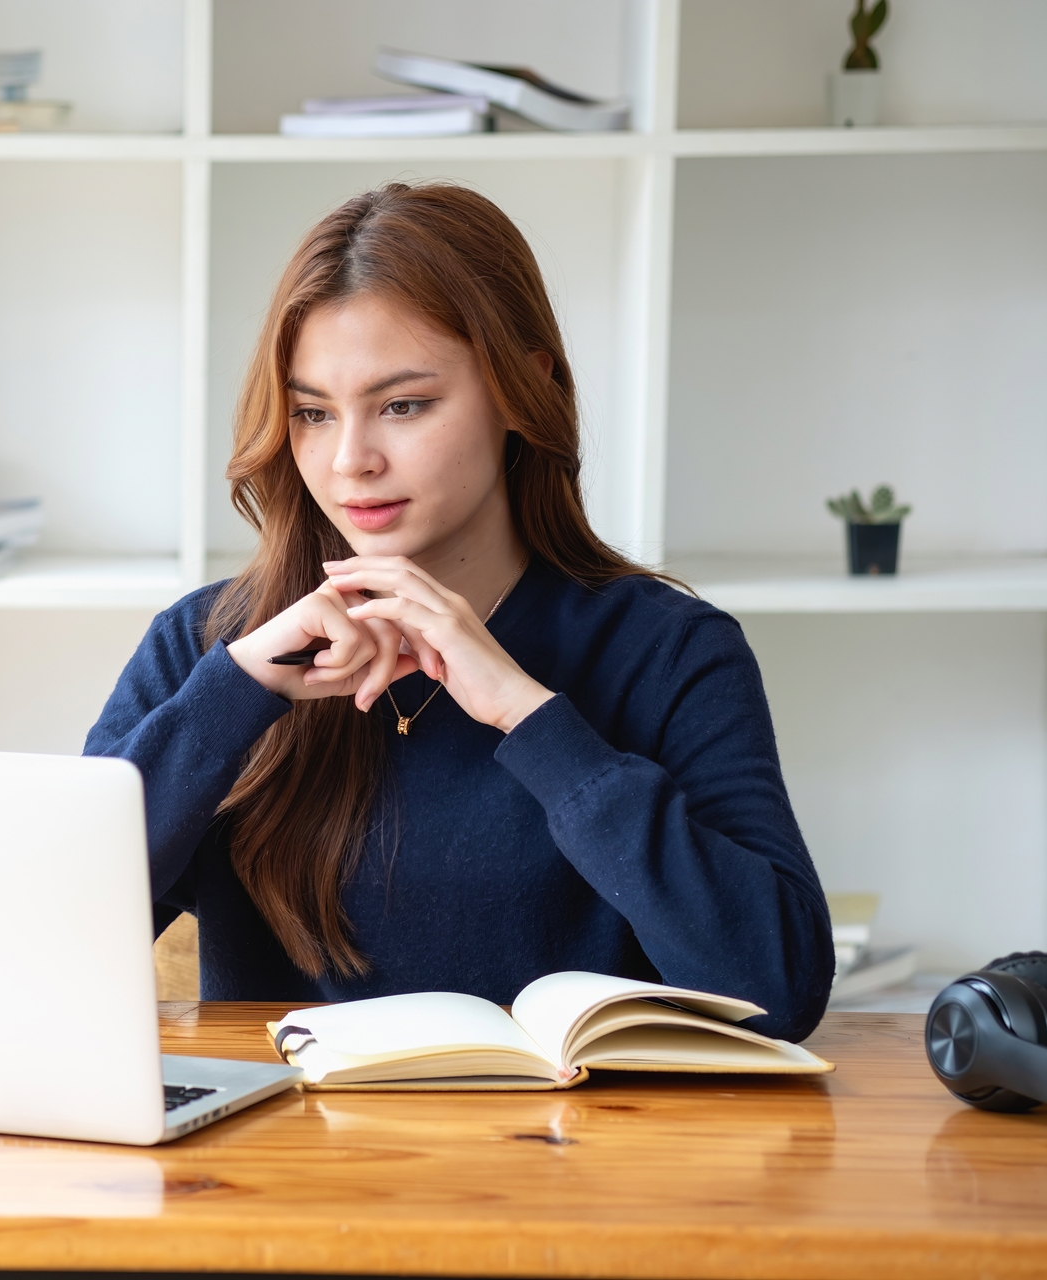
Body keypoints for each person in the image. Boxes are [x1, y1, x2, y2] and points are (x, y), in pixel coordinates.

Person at [85, 182, 831, 1041]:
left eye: (403, 405)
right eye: (313, 414)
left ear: (522, 388)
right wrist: (239, 693)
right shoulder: (212, 647)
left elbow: (779, 989)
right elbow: (42, 938)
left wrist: (527, 715)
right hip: (282, 1164)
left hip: (582, 1161)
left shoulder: (668, 652)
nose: (349, 461)